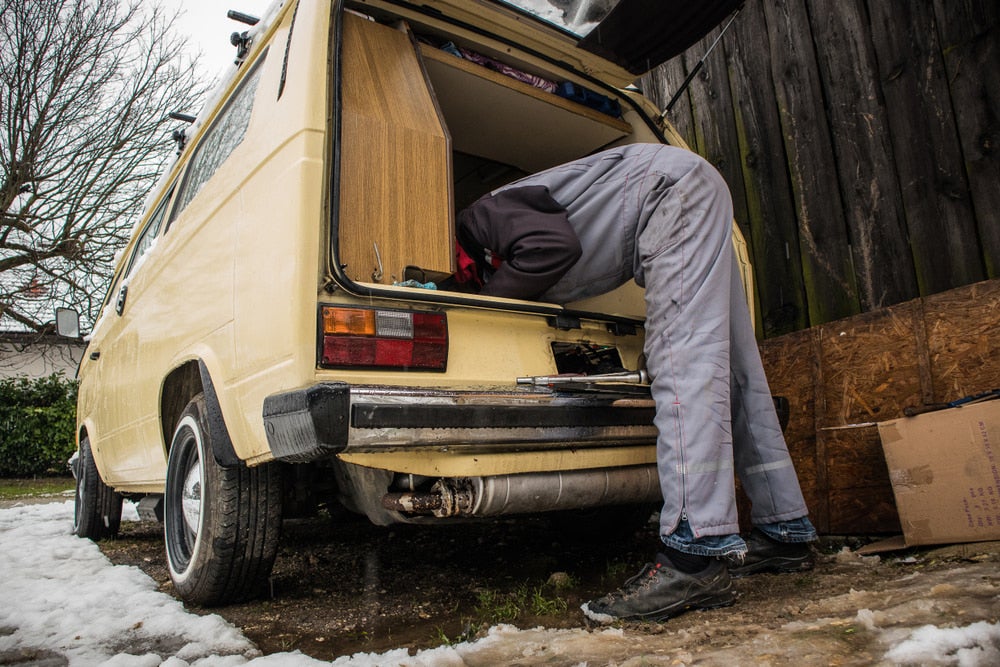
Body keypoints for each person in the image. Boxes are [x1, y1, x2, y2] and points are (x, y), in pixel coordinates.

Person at [455, 143, 818, 623]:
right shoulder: (492, 237)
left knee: (681, 365)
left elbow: (553, 247)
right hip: (687, 191)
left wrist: (489, 304)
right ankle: (785, 530)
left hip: (673, 195)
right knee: (734, 372)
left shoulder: (476, 218)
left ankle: (694, 555)